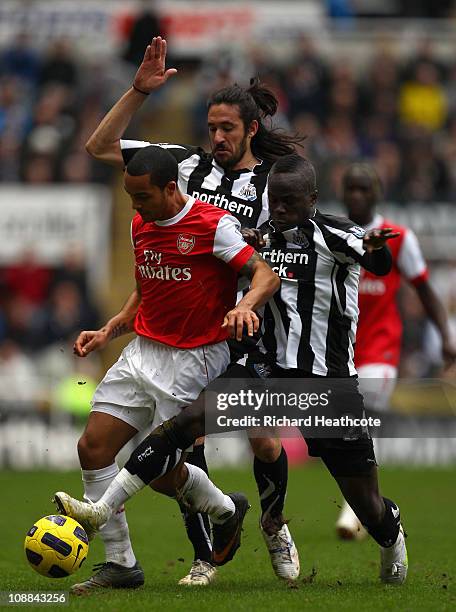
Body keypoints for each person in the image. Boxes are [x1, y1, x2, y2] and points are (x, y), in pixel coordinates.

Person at [54, 153, 408, 586]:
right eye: (274, 200)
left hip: (325, 382)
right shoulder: (257, 237)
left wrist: (377, 248)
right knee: (183, 427)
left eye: (289, 202)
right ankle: (104, 512)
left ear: (312, 199)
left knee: (368, 506)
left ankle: (391, 535)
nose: (278, 210)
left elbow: (376, 260)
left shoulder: (338, 234)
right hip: (263, 369)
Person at [84, 35, 303, 586]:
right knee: (184, 443)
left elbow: (285, 255)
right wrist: (138, 91)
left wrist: (258, 287)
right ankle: (205, 554)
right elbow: (100, 147)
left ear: (251, 129)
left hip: (255, 321)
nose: (218, 137)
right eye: (212, 128)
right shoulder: (181, 168)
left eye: (228, 128)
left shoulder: (275, 183)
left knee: (265, 440)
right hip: (190, 326)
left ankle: (274, 524)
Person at [59, 143, 279, 595]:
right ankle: (120, 564)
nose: (135, 207)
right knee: (93, 448)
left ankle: (222, 511)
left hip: (194, 357)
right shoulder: (143, 222)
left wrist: (246, 306)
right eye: (130, 197)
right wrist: (111, 328)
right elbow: (147, 285)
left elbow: (265, 275)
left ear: (171, 188)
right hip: (143, 351)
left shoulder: (212, 226)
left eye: (142, 197)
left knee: (161, 474)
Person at [335, 162, 456, 539]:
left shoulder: (398, 237)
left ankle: (352, 511)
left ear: (376, 193)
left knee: (367, 407)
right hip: (341, 348)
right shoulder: (335, 233)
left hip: (382, 345)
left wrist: (447, 337)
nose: (356, 196)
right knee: (345, 429)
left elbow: (423, 288)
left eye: (363, 189)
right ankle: (365, 501)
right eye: (350, 189)